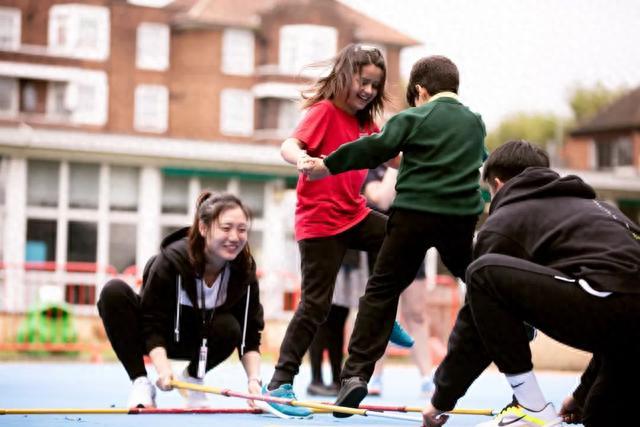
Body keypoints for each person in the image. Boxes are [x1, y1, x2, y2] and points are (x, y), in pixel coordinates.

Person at [304, 55, 486, 415]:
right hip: (460, 219)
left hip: (414, 216)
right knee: (480, 279)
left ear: (420, 90)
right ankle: (521, 323)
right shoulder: (475, 122)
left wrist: (328, 164)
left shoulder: (413, 117)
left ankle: (355, 375)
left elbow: (374, 148)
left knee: (381, 291)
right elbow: (479, 158)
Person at [421, 140, 640, 427]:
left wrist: (442, 398)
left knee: (482, 273)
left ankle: (531, 405)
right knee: (599, 411)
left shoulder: (505, 221)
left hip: (610, 308)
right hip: (626, 327)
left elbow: (475, 324)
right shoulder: (598, 209)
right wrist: (582, 393)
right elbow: (623, 306)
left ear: (497, 184)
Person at [263, 43, 413, 418]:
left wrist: (438, 155)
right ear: (347, 76)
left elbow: (394, 155)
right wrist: (301, 158)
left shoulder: (365, 124)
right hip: (319, 224)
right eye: (364, 82)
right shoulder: (325, 112)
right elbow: (289, 143)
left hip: (354, 214)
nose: (368, 91)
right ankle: (279, 385)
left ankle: (379, 310)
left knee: (399, 233)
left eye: (375, 86)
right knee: (316, 305)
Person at [98, 192, 265, 409]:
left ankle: (193, 378)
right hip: (155, 339)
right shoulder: (170, 261)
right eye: (226, 228)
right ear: (203, 228)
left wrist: (254, 382)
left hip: (198, 341)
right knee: (113, 291)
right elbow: (151, 321)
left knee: (230, 327)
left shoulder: (244, 270)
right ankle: (140, 382)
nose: (234, 237)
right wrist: (162, 368)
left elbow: (249, 333)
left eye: (242, 230)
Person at [363, 165, 435, 397]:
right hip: (381, 251)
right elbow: (382, 200)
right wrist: (396, 166)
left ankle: (427, 377)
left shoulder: (418, 165)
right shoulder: (372, 169)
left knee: (417, 313)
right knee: (382, 315)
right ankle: (375, 375)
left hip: (413, 247)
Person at [306, 250, 363, 397]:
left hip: (349, 256)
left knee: (339, 317)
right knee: (321, 314)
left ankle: (337, 379)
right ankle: (316, 379)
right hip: (326, 250)